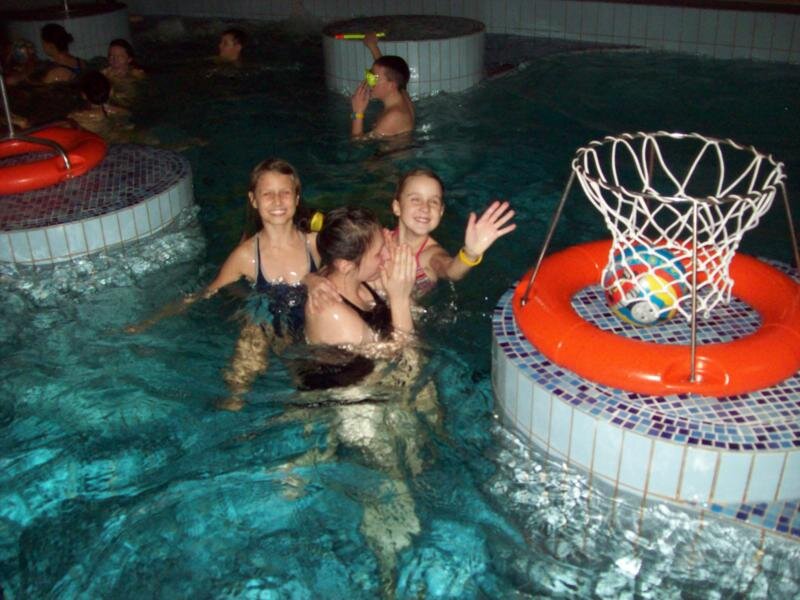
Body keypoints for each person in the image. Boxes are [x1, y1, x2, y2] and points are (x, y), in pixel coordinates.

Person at [126, 158, 323, 410]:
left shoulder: (314, 244)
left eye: (285, 193)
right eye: (267, 194)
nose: (277, 201)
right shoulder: (247, 256)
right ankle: (235, 398)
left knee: (310, 381)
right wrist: (150, 322)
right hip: (269, 321)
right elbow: (207, 292)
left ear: (296, 198)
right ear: (253, 200)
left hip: (312, 320)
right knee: (253, 332)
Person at [389, 168, 517, 297]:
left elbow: (450, 271)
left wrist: (470, 254)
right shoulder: (382, 239)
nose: (425, 208)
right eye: (416, 199)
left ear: (441, 212)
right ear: (397, 207)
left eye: (434, 201)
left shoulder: (430, 255)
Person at [350, 32, 414, 139]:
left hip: (390, 150)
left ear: (391, 86)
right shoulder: (401, 93)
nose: (369, 81)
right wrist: (372, 46)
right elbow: (386, 71)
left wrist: (357, 112)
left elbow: (357, 143)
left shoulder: (392, 118)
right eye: (370, 75)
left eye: (374, 78)